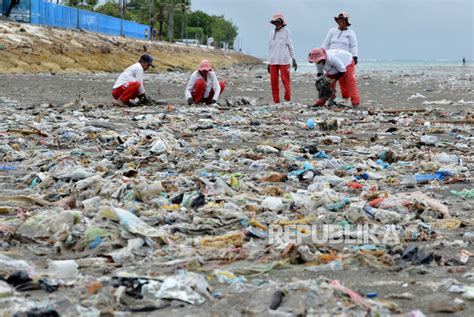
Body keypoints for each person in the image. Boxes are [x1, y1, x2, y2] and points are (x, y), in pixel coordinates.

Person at [268, 13, 297, 104]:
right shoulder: (271, 33)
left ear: (282, 22)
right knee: (274, 81)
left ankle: (287, 99)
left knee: (285, 80)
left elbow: (290, 46)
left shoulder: (286, 32)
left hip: (284, 61)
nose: (277, 23)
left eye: (279, 21)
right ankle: (276, 100)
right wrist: (269, 62)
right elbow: (270, 48)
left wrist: (294, 59)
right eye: (276, 22)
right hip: (273, 61)